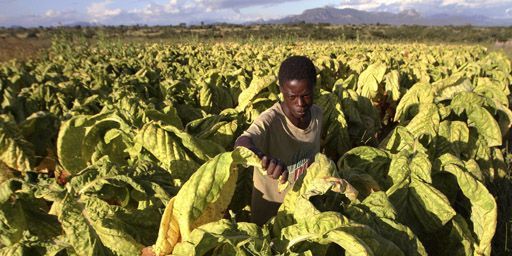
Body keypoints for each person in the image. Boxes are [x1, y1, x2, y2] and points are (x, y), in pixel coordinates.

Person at [234, 55, 323, 226]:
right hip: (269, 214)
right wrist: (262, 157)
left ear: (314, 88)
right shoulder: (271, 119)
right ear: (281, 90)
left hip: (304, 208)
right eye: (292, 97)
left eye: (306, 95)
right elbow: (243, 141)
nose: (300, 104)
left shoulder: (318, 114)